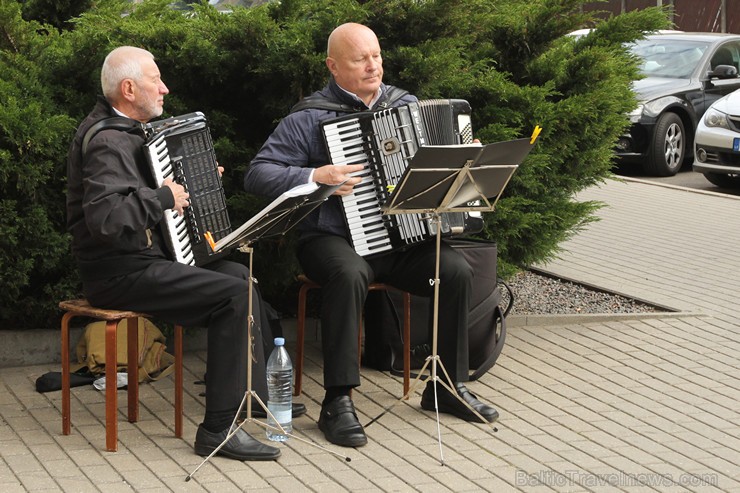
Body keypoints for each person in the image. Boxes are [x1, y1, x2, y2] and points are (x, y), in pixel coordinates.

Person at [244, 23, 499, 448]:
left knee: (452, 269)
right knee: (349, 274)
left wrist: (463, 158)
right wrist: (314, 175)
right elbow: (258, 174)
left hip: (398, 240)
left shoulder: (409, 105)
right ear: (333, 66)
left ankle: (446, 387)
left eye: (376, 56)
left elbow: (441, 173)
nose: (372, 65)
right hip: (330, 239)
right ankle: (338, 401)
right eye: (360, 58)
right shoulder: (310, 116)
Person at [66, 46, 302, 461]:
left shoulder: (128, 133)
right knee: (233, 298)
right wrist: (163, 196)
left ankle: (253, 398)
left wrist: (190, 181)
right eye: (155, 80)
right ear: (128, 88)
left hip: (146, 260)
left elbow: (138, 191)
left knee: (240, 277)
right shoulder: (106, 140)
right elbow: (107, 218)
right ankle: (218, 430)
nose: (164, 88)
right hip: (117, 273)